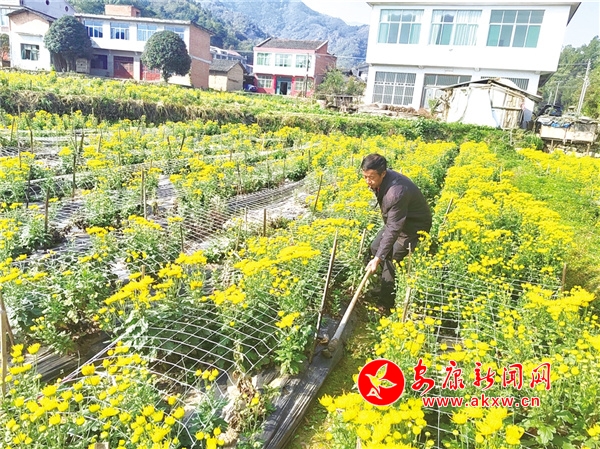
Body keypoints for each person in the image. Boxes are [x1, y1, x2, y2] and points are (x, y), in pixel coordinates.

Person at [362, 154, 432, 309]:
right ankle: (384, 286)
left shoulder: (396, 192)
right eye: (365, 177)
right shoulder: (381, 181)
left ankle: (385, 303)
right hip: (398, 218)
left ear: (383, 173)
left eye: (371, 177)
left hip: (413, 226)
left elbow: (394, 228)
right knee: (375, 247)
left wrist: (378, 258)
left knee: (392, 258)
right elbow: (393, 224)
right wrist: (378, 255)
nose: (367, 181)